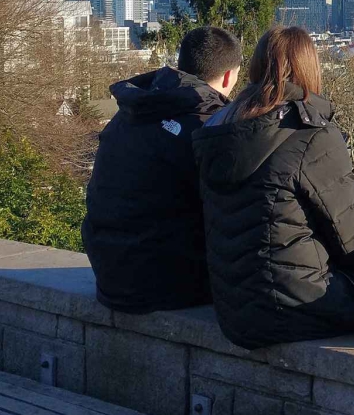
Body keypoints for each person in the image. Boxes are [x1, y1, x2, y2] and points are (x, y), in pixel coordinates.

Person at [192, 26, 354, 348]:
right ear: (310, 68)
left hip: (235, 310)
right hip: (297, 308)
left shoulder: (218, 129)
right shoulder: (311, 133)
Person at [83, 26, 242, 312]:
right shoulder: (207, 126)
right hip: (165, 283)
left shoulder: (132, 109)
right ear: (230, 75)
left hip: (109, 273)